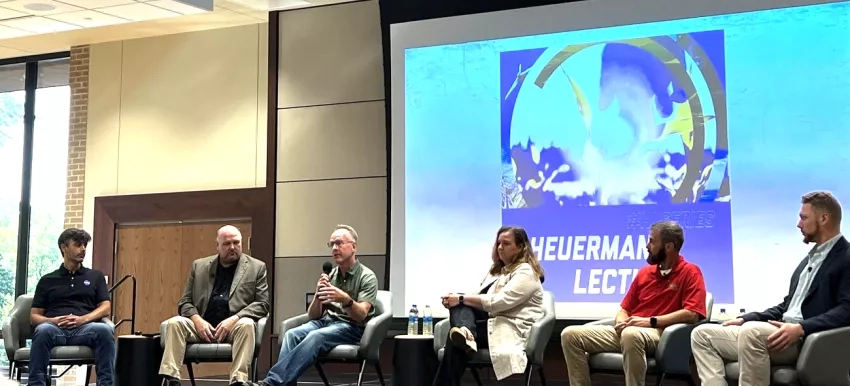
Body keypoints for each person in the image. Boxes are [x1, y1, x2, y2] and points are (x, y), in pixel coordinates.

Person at [691, 191, 850, 386]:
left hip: (807, 339)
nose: (798, 224)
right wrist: (745, 318)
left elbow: (847, 310)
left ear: (824, 218)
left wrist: (801, 328)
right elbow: (787, 306)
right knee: (702, 334)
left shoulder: (845, 257)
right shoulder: (809, 260)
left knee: (752, 333)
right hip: (779, 333)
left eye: (803, 217)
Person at [561, 220, 707, 386]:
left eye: (652, 241)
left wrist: (651, 321)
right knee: (570, 334)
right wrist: (621, 321)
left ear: (669, 247)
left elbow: (692, 314)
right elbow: (624, 309)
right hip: (629, 331)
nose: (647, 245)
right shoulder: (644, 273)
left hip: (659, 333)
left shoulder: (691, 272)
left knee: (631, 334)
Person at [250, 224, 379, 386]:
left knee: (316, 336)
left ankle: (272, 382)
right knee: (292, 335)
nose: (334, 248)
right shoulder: (331, 274)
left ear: (353, 247)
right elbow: (313, 315)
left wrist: (346, 300)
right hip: (326, 322)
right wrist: (318, 295)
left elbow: (361, 315)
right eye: (331, 244)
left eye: (339, 243)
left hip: (351, 327)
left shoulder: (367, 277)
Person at [433, 225, 545, 386]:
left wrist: (460, 299)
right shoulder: (498, 272)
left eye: (506, 244)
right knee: (461, 307)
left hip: (510, 330)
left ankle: (466, 334)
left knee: (457, 334)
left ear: (521, 247)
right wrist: (457, 300)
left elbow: (498, 302)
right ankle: (466, 332)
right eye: (498, 243)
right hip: (492, 324)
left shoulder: (526, 272)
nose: (500, 248)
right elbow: (477, 298)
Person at [159, 225, 270, 386]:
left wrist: (234, 319)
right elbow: (185, 302)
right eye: (227, 244)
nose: (232, 247)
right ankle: (172, 379)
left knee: (247, 324)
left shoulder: (256, 267)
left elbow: (262, 304)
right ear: (217, 246)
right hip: (202, 327)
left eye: (236, 243)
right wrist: (197, 321)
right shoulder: (200, 266)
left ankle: (238, 381)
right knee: (175, 323)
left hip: (235, 328)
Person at [30, 228, 114, 386]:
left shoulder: (95, 276)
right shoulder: (47, 280)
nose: (83, 249)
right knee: (42, 331)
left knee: (104, 330)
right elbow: (34, 316)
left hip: (86, 328)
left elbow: (106, 307)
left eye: (84, 245)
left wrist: (83, 319)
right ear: (64, 247)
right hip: (55, 329)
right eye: (78, 245)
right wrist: (53, 321)